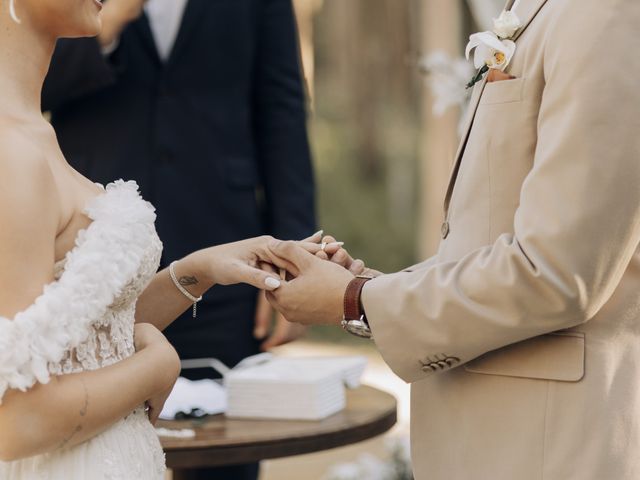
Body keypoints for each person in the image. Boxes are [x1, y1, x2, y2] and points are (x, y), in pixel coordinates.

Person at [265, 0, 640, 479]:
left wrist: (355, 300)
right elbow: (493, 239)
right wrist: (372, 287)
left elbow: (559, 273)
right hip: (493, 433)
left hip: (548, 444)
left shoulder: (605, 14)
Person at [0, 1, 337, 478]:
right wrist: (157, 368)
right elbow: (13, 419)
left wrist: (197, 271)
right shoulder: (13, 156)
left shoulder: (33, 136)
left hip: (215, 225)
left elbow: (84, 343)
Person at [41, 0, 315, 370]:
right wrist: (103, 32)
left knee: (228, 418)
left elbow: (281, 109)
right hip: (90, 248)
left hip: (225, 248)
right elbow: (25, 87)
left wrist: (293, 259)